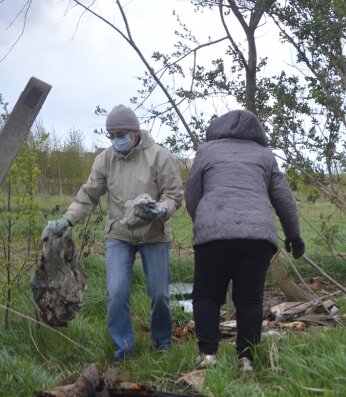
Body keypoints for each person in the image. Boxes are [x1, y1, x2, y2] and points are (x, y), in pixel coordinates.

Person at [44, 105, 183, 360]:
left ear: (135, 132)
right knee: (117, 293)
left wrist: (161, 210)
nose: (116, 140)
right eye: (112, 135)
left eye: (121, 134)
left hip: (154, 234)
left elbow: (174, 194)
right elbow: (88, 195)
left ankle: (162, 346)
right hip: (119, 235)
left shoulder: (159, 156)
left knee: (160, 295)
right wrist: (66, 221)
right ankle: (124, 350)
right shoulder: (105, 159)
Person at [185, 109, 304, 372]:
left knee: (206, 295)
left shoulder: (206, 151)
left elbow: (192, 194)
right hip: (257, 239)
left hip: (213, 234)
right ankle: (246, 359)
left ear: (217, 128)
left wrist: (204, 221)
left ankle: (208, 356)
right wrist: (294, 236)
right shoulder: (265, 155)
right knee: (249, 298)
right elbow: (284, 199)